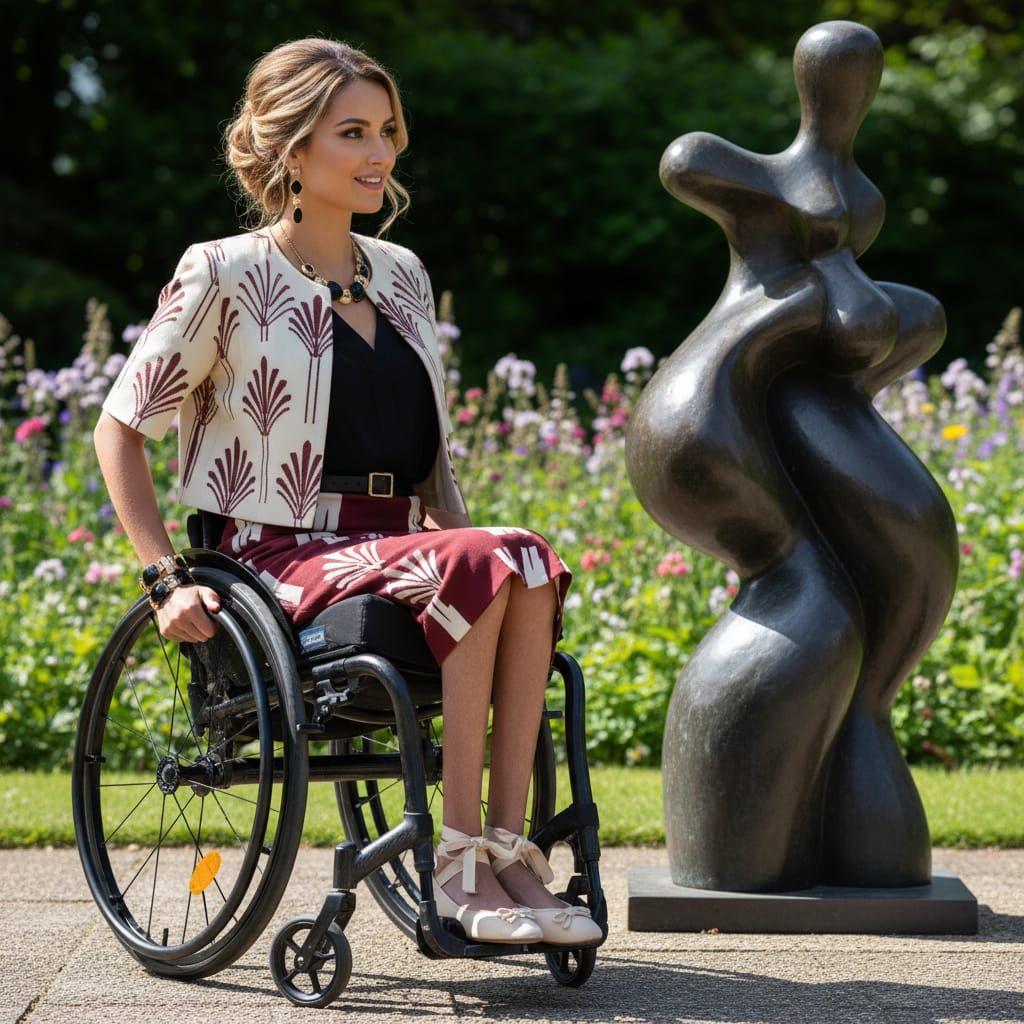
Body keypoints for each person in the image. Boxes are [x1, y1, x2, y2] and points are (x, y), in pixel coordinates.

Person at [94, 36, 600, 948]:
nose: (381, 154)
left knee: (524, 556)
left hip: (395, 547)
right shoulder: (227, 271)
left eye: (390, 132)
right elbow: (120, 427)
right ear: (293, 152)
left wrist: (484, 560)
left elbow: (432, 468)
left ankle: (506, 852)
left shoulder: (402, 276)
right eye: (354, 133)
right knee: (499, 556)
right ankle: (457, 868)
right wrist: (165, 581)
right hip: (272, 554)